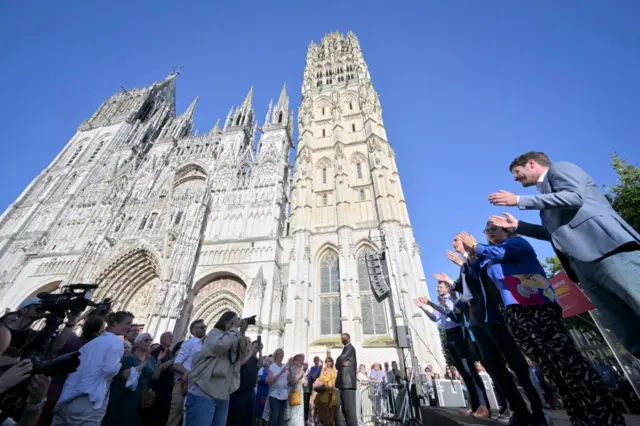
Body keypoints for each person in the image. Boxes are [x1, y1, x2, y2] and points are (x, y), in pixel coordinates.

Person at [458, 225, 625, 426]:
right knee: (550, 367)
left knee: (567, 362)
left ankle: (604, 417)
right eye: (487, 231)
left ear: (508, 232)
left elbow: (501, 252)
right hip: (511, 313)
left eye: (495, 229)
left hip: (534, 306)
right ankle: (580, 418)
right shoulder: (489, 258)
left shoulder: (516, 243)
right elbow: (475, 276)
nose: (490, 233)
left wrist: (476, 246)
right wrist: (472, 255)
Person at [488, 151, 640, 358]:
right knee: (627, 330)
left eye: (517, 171)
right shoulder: (546, 198)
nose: (515, 178)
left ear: (531, 164)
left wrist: (519, 200)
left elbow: (575, 197)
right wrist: (518, 226)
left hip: (607, 252)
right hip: (582, 266)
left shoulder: (560, 169)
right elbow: (553, 234)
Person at [436, 234, 546, 425]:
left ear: (466, 241)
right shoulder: (465, 265)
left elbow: (481, 278)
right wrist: (453, 280)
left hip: (491, 314)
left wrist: (464, 262)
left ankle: (538, 411)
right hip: (475, 318)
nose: (453, 243)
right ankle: (519, 411)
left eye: (456, 240)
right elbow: (466, 288)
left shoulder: (480, 256)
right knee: (494, 367)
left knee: (515, 363)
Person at [415, 281, 490, 419]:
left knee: (469, 370)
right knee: (462, 371)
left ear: (448, 288)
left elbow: (453, 315)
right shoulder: (442, 302)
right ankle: (473, 405)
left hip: (457, 333)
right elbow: (435, 318)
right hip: (448, 335)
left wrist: (431, 303)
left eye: (440, 286)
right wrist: (423, 308)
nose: (437, 288)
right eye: (437, 287)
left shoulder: (453, 300)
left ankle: (483, 405)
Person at [52, 311, 134, 426]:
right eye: (128, 323)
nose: (129, 327)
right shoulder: (116, 341)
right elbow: (110, 370)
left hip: (68, 397)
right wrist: (119, 364)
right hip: (89, 401)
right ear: (115, 323)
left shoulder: (92, 343)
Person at [37, 315, 105, 426]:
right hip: (70, 393)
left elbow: (55, 348)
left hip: (51, 386)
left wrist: (73, 321)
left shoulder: (70, 340)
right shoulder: (94, 349)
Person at [185, 311, 250, 426]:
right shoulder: (214, 333)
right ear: (226, 321)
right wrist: (234, 329)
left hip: (223, 392)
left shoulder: (234, 336)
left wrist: (242, 333)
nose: (238, 322)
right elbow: (220, 346)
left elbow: (243, 355)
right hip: (205, 390)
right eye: (236, 320)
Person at [102, 332, 158, 426]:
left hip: (141, 396)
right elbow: (125, 375)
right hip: (126, 395)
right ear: (138, 343)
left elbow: (154, 376)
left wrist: (159, 363)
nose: (149, 342)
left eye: (150, 340)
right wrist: (144, 362)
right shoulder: (129, 358)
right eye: (146, 340)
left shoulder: (151, 359)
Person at [6, 298, 82, 358]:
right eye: (38, 306)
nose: (42, 309)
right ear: (23, 310)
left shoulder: (33, 336)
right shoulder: (3, 328)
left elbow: (56, 346)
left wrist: (71, 322)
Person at [167, 319, 206, 426]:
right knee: (175, 418)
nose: (204, 329)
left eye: (204, 327)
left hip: (197, 386)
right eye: (200, 327)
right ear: (192, 330)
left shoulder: (204, 346)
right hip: (182, 386)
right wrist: (189, 373)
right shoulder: (190, 343)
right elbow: (176, 364)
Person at [227, 340, 262, 426]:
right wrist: (251, 353)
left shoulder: (255, 359)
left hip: (250, 392)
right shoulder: (242, 356)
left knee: (248, 418)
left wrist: (260, 351)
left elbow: (260, 364)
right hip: (240, 391)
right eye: (250, 344)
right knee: (236, 417)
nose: (255, 348)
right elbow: (240, 364)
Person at [149, 331, 175, 426]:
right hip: (158, 388)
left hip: (168, 388)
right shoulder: (156, 352)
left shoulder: (170, 353)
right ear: (162, 339)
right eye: (169, 337)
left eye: (172, 337)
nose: (171, 338)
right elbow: (154, 369)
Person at [336, 333, 357, 426]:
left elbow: (340, 359)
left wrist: (339, 362)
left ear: (349, 338)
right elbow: (338, 362)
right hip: (343, 384)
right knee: (344, 409)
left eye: (344, 338)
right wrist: (339, 363)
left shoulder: (349, 348)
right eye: (342, 338)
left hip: (348, 383)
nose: (343, 339)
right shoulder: (345, 349)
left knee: (349, 409)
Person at [266, 349, 289, 426]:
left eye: (283, 353)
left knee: (281, 419)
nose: (282, 355)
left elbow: (289, 380)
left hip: (284, 396)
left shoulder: (285, 366)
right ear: (276, 355)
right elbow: (269, 381)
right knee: (274, 418)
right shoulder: (272, 367)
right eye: (280, 353)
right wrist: (280, 373)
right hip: (274, 396)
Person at [315, 357, 338, 426]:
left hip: (333, 392)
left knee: (332, 411)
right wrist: (325, 374)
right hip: (325, 392)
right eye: (326, 361)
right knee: (324, 411)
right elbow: (321, 379)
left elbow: (335, 381)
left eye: (329, 361)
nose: (327, 363)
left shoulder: (334, 370)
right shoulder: (323, 369)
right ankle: (324, 424)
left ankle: (331, 424)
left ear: (332, 362)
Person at [285, 353, 305, 426]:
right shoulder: (291, 368)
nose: (299, 362)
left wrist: (289, 369)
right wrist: (289, 368)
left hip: (296, 394)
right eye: (297, 360)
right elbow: (287, 379)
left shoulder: (300, 370)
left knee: (295, 416)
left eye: (300, 360)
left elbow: (293, 381)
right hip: (289, 393)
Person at [255, 356, 271, 426]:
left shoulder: (271, 371)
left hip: (268, 394)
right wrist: (265, 380)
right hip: (260, 393)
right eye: (267, 361)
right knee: (258, 413)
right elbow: (257, 379)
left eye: (270, 361)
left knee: (266, 414)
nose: (269, 362)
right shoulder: (261, 369)